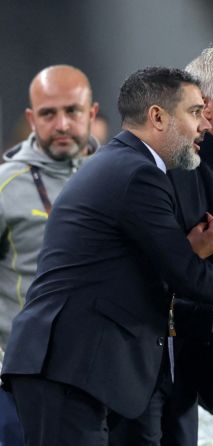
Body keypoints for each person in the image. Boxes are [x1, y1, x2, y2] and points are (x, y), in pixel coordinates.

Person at [0, 66, 213, 446]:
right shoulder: (136, 173)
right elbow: (183, 273)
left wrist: (203, 313)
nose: (203, 125)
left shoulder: (127, 165)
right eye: (194, 112)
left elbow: (129, 283)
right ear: (157, 117)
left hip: (77, 367)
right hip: (66, 365)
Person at [109, 46, 213, 446]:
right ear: (206, 108)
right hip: (141, 355)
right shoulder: (163, 163)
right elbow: (146, 271)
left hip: (201, 362)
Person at [0, 64, 99, 445]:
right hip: (21, 379)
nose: (61, 124)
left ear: (91, 113)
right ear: (31, 118)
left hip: (97, 378)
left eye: (72, 111)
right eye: (47, 113)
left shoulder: (119, 178)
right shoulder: (7, 185)